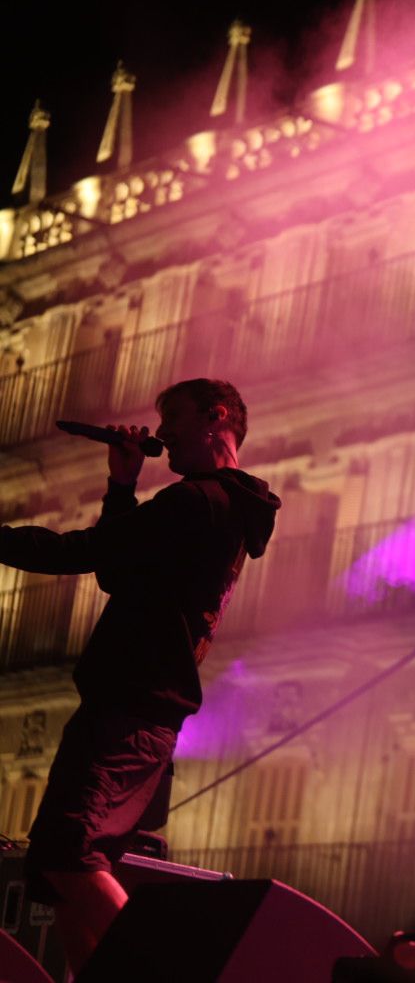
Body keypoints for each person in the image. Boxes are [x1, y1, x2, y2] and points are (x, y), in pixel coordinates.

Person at [0, 378, 280, 970]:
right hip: (135, 705)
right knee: (64, 867)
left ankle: (166, 971)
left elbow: (83, 552)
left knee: (71, 855)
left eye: (173, 416)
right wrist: (123, 485)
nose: (163, 432)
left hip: (132, 704)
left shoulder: (196, 500)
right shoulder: (218, 507)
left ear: (217, 416)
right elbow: (118, 569)